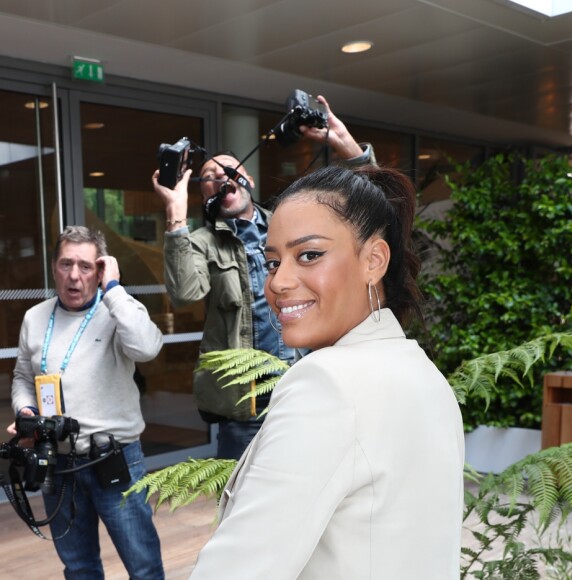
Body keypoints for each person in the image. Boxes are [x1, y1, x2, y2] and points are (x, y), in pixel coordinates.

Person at [188, 164, 465, 579]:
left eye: (309, 255)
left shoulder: (327, 384)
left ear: (374, 260)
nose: (279, 282)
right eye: (272, 262)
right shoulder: (425, 374)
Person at [152, 95, 376, 459]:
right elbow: (183, 294)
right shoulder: (201, 242)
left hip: (306, 387)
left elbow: (370, 210)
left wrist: (347, 147)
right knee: (242, 506)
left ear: (248, 179)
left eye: (228, 171)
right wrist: (175, 215)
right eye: (209, 178)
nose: (221, 179)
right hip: (246, 404)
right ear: (204, 193)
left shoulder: (291, 222)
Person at [8, 226, 165, 580]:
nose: (74, 276)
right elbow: (21, 378)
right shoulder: (35, 317)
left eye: (85, 266)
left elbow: (147, 348)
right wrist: (26, 410)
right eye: (65, 264)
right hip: (59, 461)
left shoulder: (118, 309)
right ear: (53, 267)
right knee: (78, 568)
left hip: (115, 460)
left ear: (100, 269)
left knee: (143, 567)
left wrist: (114, 288)